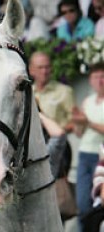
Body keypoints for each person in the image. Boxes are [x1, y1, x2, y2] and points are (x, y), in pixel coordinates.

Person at [72, 62, 104, 232]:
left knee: (100, 202)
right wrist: (77, 121)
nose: (100, 81)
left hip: (102, 157)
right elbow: (79, 133)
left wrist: (88, 122)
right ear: (90, 80)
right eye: (96, 77)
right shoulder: (87, 101)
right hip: (85, 155)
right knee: (83, 204)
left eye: (102, 77)